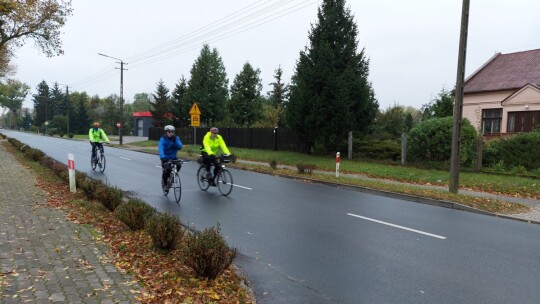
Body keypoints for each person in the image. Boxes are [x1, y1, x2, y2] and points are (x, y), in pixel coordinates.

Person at [158, 125, 183, 192]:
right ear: (166, 132)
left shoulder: (175, 138)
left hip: (173, 157)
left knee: (179, 165)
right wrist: (163, 157)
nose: (171, 133)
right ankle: (165, 184)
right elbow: (161, 148)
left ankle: (172, 177)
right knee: (167, 169)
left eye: (172, 132)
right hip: (165, 158)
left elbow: (180, 147)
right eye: (169, 132)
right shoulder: (163, 139)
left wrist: (175, 141)